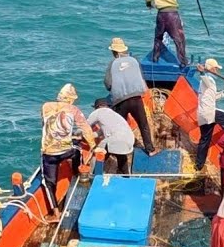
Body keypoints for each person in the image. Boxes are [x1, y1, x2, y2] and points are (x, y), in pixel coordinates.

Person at [41, 83, 96, 216]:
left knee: (49, 183)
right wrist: (93, 145)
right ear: (71, 99)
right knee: (77, 150)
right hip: (66, 151)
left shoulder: (46, 106)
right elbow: (86, 129)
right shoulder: (74, 109)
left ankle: (55, 213)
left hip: (49, 153)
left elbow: (46, 126)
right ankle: (76, 173)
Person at [104, 38, 158, 156]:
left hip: (121, 101)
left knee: (119, 126)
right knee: (143, 124)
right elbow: (140, 76)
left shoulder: (112, 64)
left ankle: (117, 150)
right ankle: (150, 149)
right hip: (136, 98)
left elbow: (108, 84)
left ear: (114, 52)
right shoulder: (134, 61)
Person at [144, 0, 193, 67]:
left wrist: (149, 5)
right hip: (172, 15)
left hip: (160, 14)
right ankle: (183, 62)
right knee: (179, 39)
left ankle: (155, 59)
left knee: (158, 38)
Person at [194, 58, 224, 171]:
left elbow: (213, 97)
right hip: (209, 112)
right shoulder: (207, 79)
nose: (217, 71)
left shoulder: (205, 83)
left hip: (202, 114)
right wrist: (202, 72)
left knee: (205, 139)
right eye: (216, 68)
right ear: (212, 69)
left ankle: (199, 165)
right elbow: (205, 78)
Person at [87, 98, 136, 175]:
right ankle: (125, 176)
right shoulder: (114, 114)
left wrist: (77, 134)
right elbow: (101, 132)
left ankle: (93, 174)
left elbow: (84, 126)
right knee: (121, 157)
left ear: (97, 107)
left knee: (99, 152)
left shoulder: (97, 112)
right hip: (129, 139)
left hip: (115, 139)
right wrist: (91, 135)